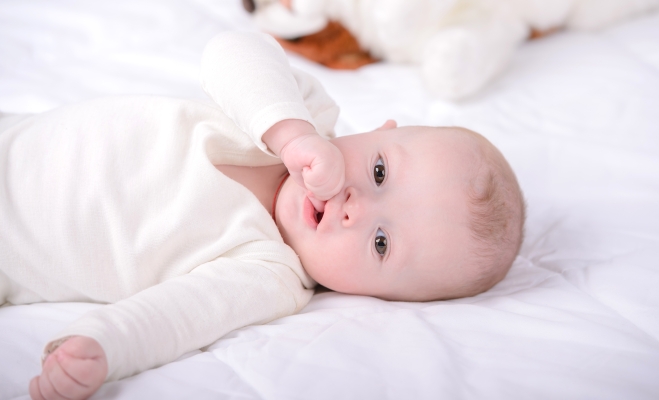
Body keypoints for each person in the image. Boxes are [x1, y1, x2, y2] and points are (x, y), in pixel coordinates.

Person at [0, 31, 524, 400]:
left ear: (373, 295)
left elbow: (179, 315)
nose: (355, 205)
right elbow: (231, 52)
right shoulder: (302, 115)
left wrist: (104, 345)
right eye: (381, 171)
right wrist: (291, 134)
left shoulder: (268, 275)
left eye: (381, 243)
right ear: (381, 129)